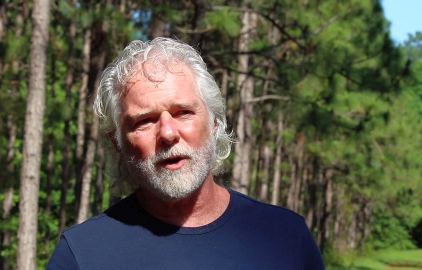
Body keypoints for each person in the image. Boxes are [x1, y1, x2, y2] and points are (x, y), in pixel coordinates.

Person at [47, 37, 325, 269]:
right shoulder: (82, 256)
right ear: (117, 141)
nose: (168, 133)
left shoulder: (286, 239)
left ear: (215, 122)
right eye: (145, 120)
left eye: (183, 113)